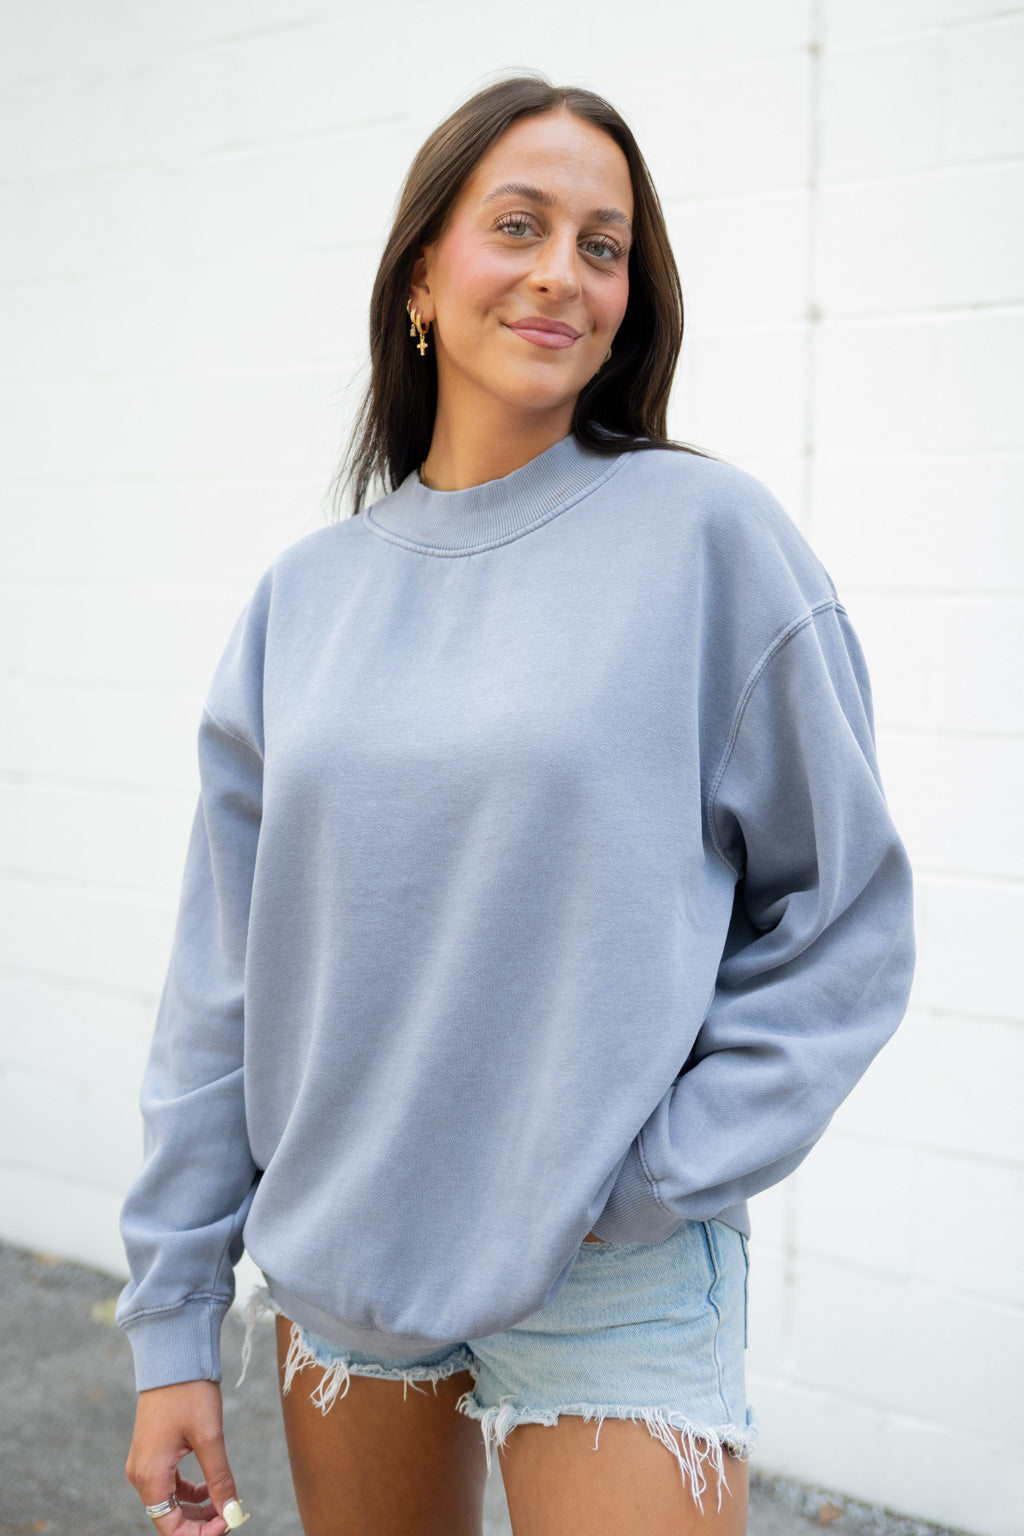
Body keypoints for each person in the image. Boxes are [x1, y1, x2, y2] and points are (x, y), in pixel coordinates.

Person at [117, 74, 915, 1536]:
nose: (562, 272)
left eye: (603, 247)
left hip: (611, 1277)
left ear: (628, 302)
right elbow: (221, 988)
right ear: (422, 274)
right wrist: (173, 1317)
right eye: (519, 226)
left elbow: (844, 914)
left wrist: (652, 1176)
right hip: (345, 1272)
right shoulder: (304, 600)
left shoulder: (711, 542)